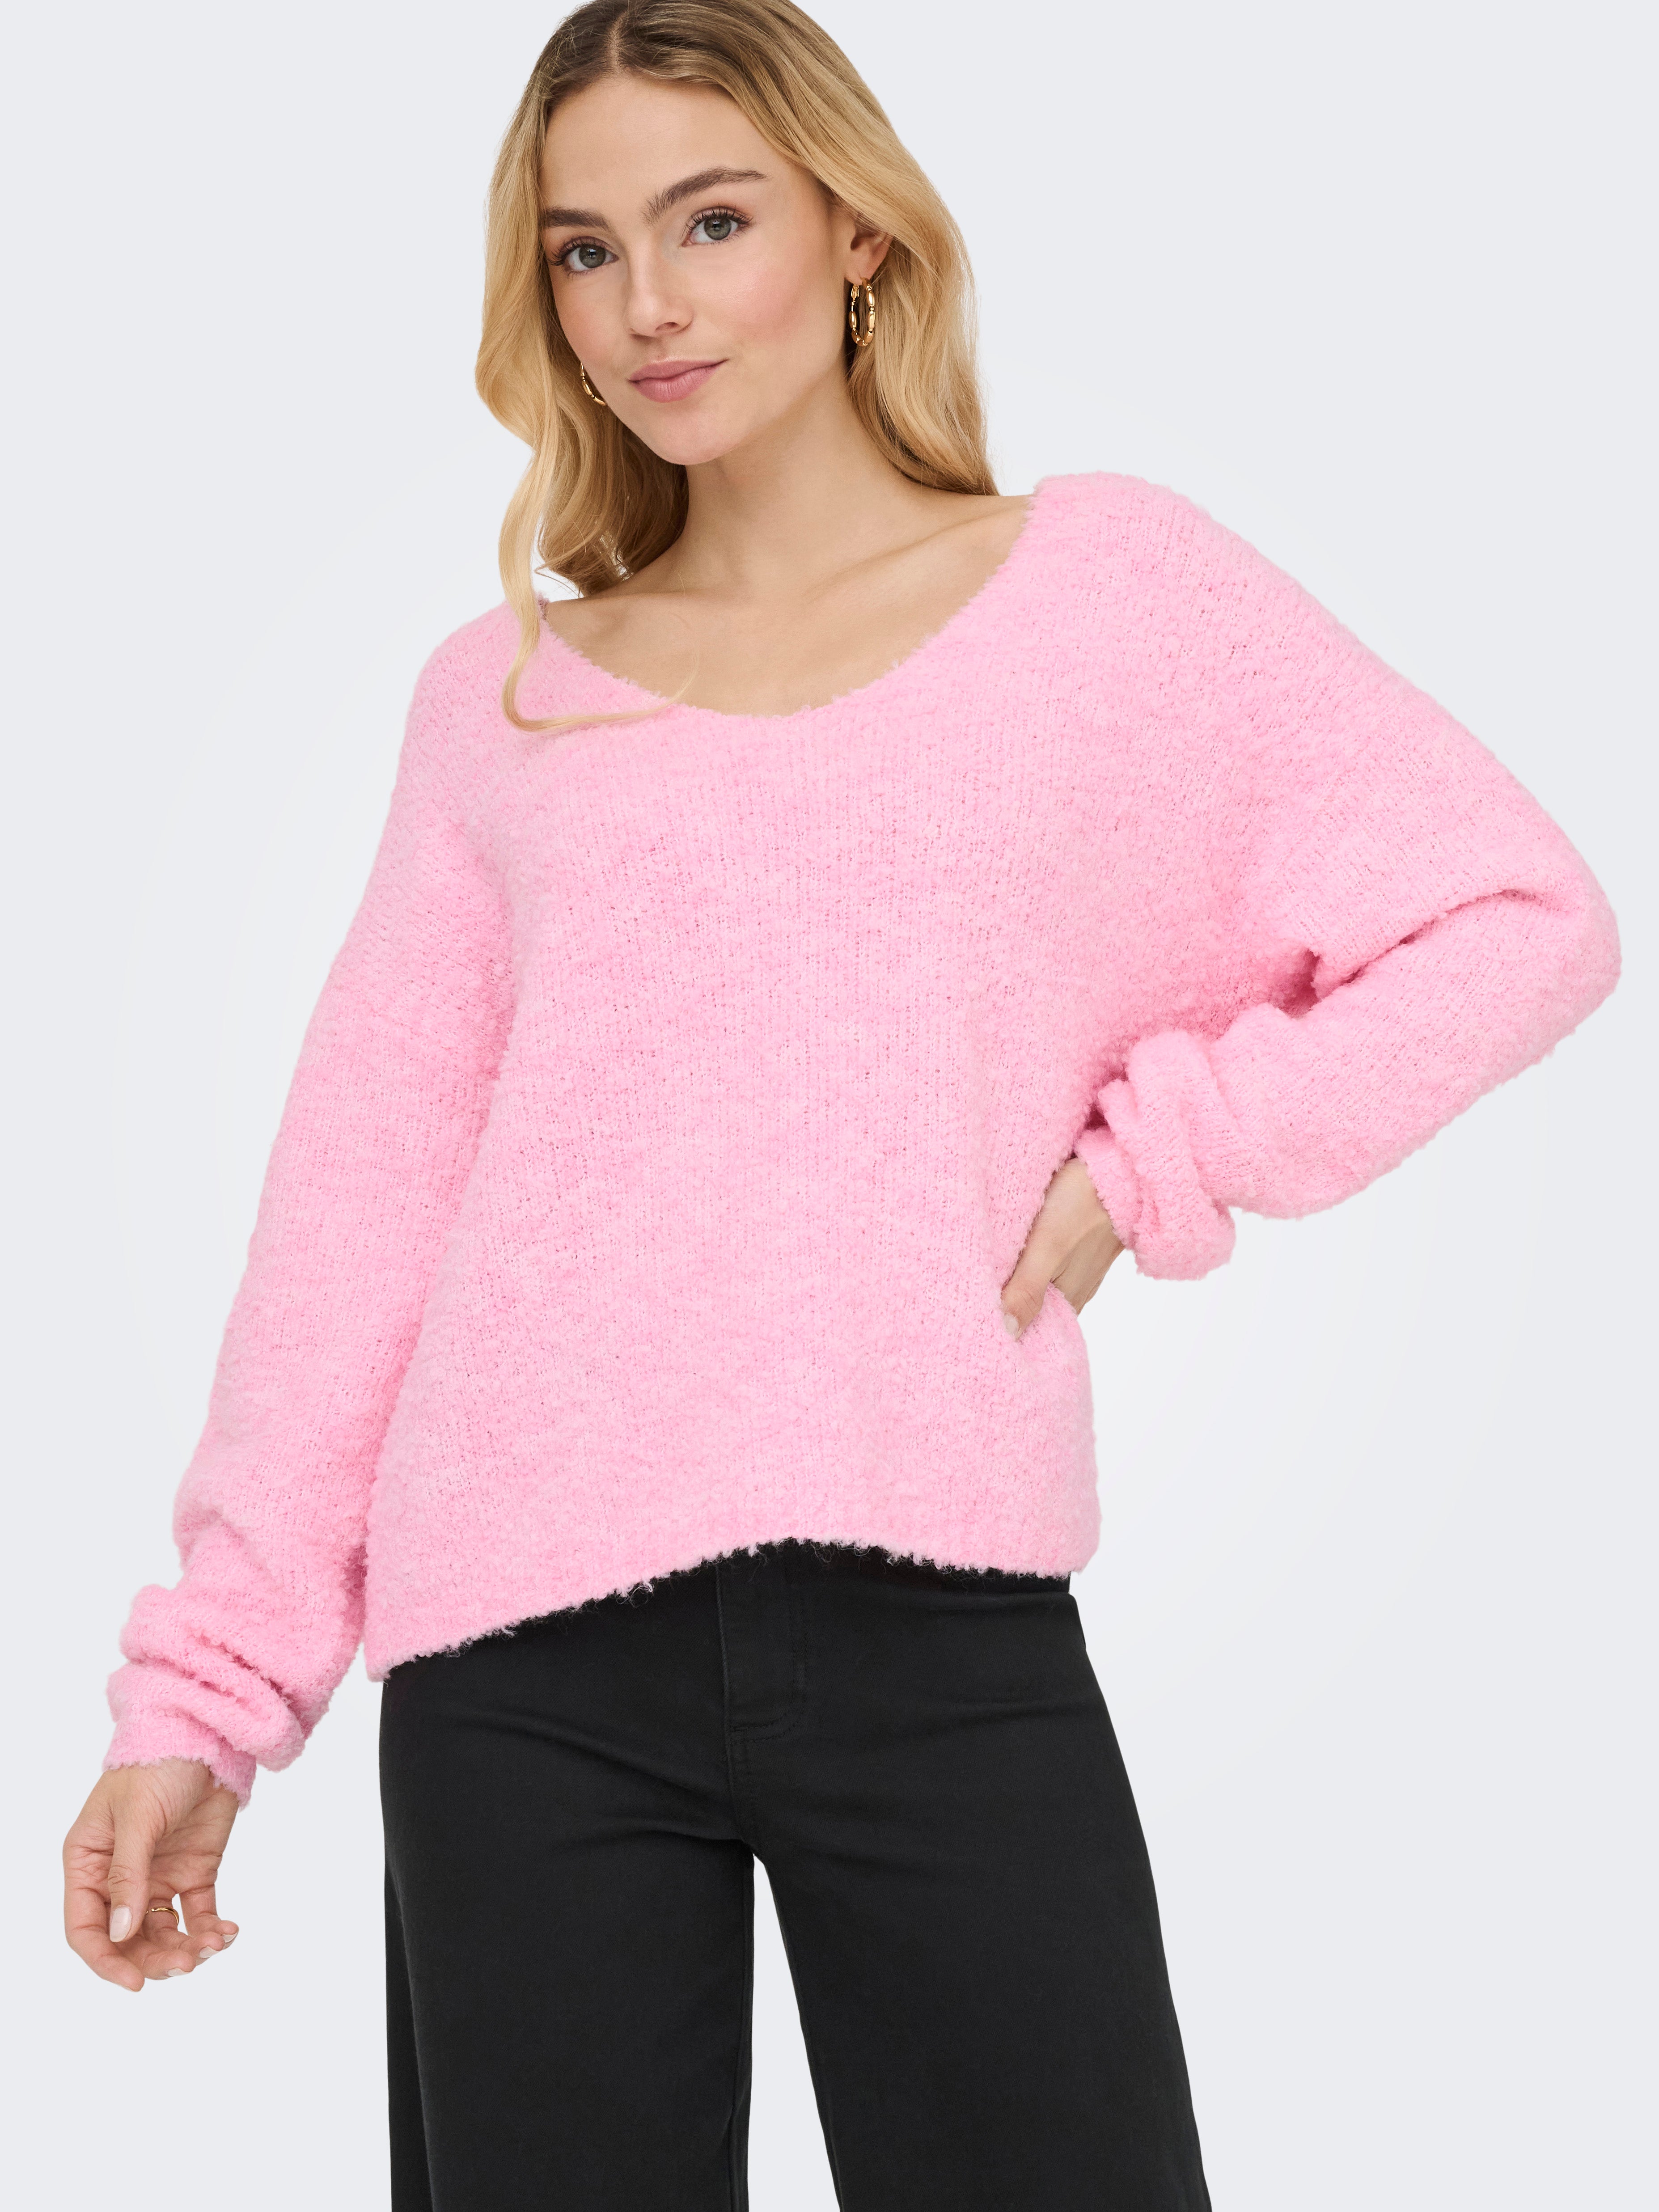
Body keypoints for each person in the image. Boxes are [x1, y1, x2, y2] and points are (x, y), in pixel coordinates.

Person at [61, 2, 1620, 2206]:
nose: (647, 303)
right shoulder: (503, 699)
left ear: (858, 234)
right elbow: (361, 1211)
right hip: (518, 1656)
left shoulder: (1108, 592)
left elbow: (1516, 916)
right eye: (585, 250)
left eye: (711, 222)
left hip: (936, 1608)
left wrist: (1159, 1161)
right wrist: (207, 1697)